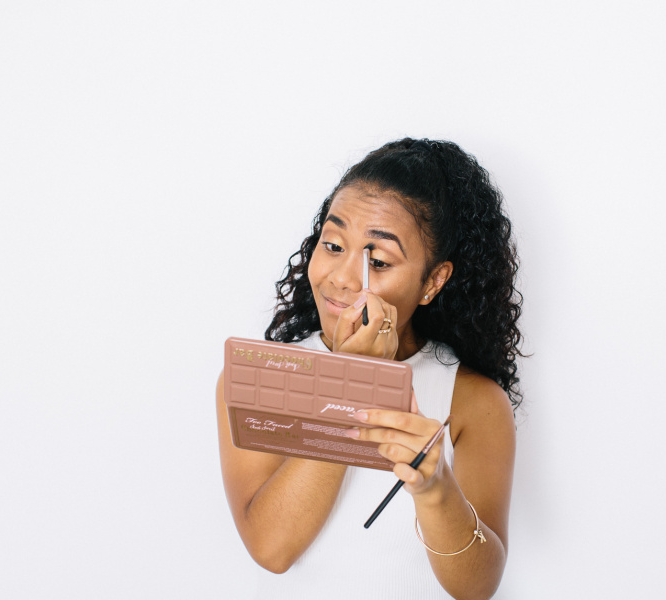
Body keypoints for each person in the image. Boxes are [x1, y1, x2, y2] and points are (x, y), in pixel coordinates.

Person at [216, 138, 524, 600]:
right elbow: (272, 549)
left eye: (377, 261)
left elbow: (477, 587)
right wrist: (353, 379)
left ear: (432, 281)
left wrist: (436, 489)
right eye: (332, 244)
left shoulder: (472, 402)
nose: (341, 277)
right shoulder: (258, 376)